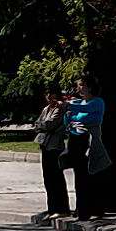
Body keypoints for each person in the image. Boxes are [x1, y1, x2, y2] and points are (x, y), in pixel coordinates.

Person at [64, 74, 111, 221]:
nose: (79, 88)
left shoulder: (97, 102)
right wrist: (70, 116)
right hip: (76, 141)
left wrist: (71, 110)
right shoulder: (78, 102)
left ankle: (96, 209)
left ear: (89, 86)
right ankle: (82, 209)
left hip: (90, 142)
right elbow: (68, 119)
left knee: (93, 176)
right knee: (80, 177)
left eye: (81, 85)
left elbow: (86, 114)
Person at [34, 83, 70, 218]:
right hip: (45, 144)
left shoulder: (60, 107)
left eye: (51, 93)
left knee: (56, 177)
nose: (49, 97)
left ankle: (61, 208)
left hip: (55, 145)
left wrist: (41, 125)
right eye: (47, 94)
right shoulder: (46, 109)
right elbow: (38, 123)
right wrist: (40, 125)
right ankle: (52, 208)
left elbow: (50, 124)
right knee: (48, 178)